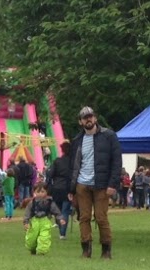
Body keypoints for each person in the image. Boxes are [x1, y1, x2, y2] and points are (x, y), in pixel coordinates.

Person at [70, 106, 122, 258]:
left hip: (102, 184)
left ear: (95, 118)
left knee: (101, 217)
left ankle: (106, 250)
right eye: (85, 117)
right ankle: (86, 249)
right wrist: (71, 188)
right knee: (84, 218)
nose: (88, 119)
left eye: (90, 116)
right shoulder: (77, 140)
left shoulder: (109, 136)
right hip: (82, 184)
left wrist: (112, 184)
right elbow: (72, 165)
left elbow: (116, 161)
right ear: (80, 121)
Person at [43, 145, 72, 240]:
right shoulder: (72, 161)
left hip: (57, 187)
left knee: (58, 211)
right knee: (65, 211)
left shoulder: (57, 161)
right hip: (68, 188)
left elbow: (50, 174)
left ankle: (60, 229)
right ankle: (62, 233)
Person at [24, 182, 57, 255]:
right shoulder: (32, 203)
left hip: (45, 221)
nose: (40, 194)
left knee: (44, 237)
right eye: (38, 192)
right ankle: (32, 248)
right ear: (34, 192)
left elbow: (55, 210)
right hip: (34, 222)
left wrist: (60, 218)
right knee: (32, 237)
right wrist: (26, 222)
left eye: (42, 192)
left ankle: (42, 251)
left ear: (46, 192)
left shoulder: (49, 202)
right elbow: (27, 213)